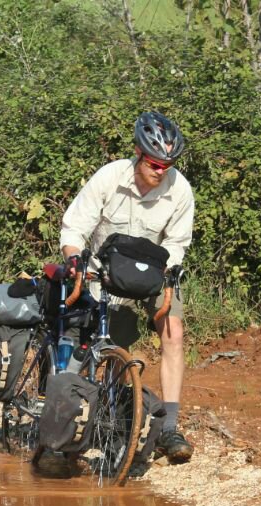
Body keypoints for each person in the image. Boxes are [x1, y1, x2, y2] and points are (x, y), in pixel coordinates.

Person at [60, 111, 194, 463]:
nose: (161, 171)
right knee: (105, 342)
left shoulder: (179, 188)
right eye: (154, 163)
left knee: (174, 331)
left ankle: (170, 428)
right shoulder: (109, 178)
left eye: (168, 164)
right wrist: (74, 257)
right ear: (138, 152)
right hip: (104, 274)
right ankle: (74, 417)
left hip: (153, 274)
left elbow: (178, 242)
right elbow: (75, 227)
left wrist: (169, 270)